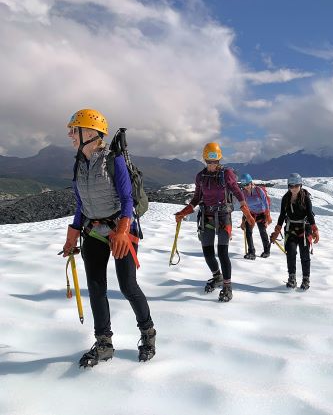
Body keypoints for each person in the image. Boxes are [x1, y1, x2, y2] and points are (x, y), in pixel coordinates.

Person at [61, 108, 156, 367]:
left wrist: (124, 230)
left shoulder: (114, 160)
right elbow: (81, 204)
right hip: (92, 231)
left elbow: (126, 199)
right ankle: (104, 344)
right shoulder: (79, 162)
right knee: (96, 288)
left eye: (74, 129)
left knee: (127, 286)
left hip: (119, 230)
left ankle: (148, 334)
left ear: (90, 133)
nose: (70, 134)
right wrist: (73, 233)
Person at [174, 142, 255, 302]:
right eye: (209, 162)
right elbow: (197, 198)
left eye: (215, 162)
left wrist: (245, 208)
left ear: (219, 160)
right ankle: (217, 276)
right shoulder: (201, 177)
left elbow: (236, 191)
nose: (212, 165)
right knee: (208, 252)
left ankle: (227, 285)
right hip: (207, 217)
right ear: (205, 160)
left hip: (224, 217)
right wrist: (184, 212)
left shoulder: (227, 174)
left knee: (222, 252)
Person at [270, 173, 319, 290]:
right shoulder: (285, 199)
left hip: (304, 228)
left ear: (300, 185)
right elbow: (282, 215)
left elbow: (310, 215)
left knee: (304, 255)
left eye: (296, 185)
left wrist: (314, 230)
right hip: (290, 228)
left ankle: (306, 279)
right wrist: (277, 230)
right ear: (288, 186)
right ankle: (292, 278)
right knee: (290, 253)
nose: (294, 188)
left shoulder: (305, 198)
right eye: (291, 186)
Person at [239, 173, 272, 259]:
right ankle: (251, 252)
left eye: (247, 184)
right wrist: (244, 219)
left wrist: (267, 216)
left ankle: (267, 251)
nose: (245, 186)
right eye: (243, 185)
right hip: (251, 214)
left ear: (251, 183)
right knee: (248, 232)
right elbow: (244, 206)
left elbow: (265, 202)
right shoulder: (243, 193)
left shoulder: (258, 190)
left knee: (262, 231)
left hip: (261, 214)